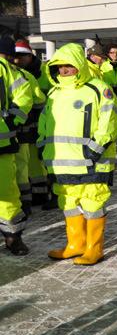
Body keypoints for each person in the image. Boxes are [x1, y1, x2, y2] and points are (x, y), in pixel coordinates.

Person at [38, 43, 117, 265]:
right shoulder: (54, 92)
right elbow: (44, 123)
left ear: (79, 65)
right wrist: (42, 146)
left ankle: (94, 249)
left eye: (69, 66)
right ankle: (75, 245)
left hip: (92, 160)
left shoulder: (98, 88)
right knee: (68, 202)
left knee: (93, 203)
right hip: (61, 161)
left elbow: (109, 121)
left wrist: (95, 149)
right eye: (60, 66)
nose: (64, 71)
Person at [0, 36, 33, 255]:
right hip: (2, 142)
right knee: (7, 193)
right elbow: (24, 97)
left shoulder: (6, 70)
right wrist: (11, 120)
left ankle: (13, 237)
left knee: (8, 192)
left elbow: (23, 97)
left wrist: (9, 120)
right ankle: (13, 239)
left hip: (2, 141)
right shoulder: (11, 71)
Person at [13, 40, 48, 214]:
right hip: (27, 127)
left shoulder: (29, 75)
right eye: (16, 56)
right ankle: (32, 197)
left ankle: (34, 197)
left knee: (29, 164)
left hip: (28, 127)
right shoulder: (25, 76)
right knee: (28, 164)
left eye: (21, 56)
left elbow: (40, 101)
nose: (18, 60)